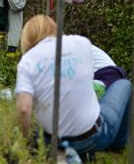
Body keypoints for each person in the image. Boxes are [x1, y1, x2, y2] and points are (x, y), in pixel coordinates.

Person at [15, 15, 131, 159]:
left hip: (51, 140)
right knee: (124, 84)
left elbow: (24, 109)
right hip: (92, 138)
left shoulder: (26, 61)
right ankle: (116, 147)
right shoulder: (82, 44)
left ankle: (64, 154)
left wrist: (25, 143)